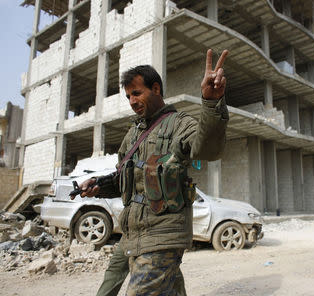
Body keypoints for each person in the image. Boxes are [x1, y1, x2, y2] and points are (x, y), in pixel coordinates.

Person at [71, 48, 229, 295]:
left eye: (137, 93)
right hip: (134, 231)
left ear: (156, 89)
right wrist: (98, 184)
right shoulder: (133, 134)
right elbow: (123, 178)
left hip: (163, 233)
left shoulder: (179, 123)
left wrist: (210, 103)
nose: (132, 101)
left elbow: (208, 149)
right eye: (128, 97)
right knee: (115, 280)